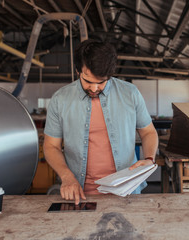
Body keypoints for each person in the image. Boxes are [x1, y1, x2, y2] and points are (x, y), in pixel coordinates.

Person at [43, 40, 158, 204]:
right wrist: (67, 177)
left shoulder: (130, 93)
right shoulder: (60, 100)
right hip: (80, 194)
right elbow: (50, 146)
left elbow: (148, 132)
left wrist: (149, 159)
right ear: (77, 71)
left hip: (128, 191)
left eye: (102, 82)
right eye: (88, 81)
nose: (95, 88)